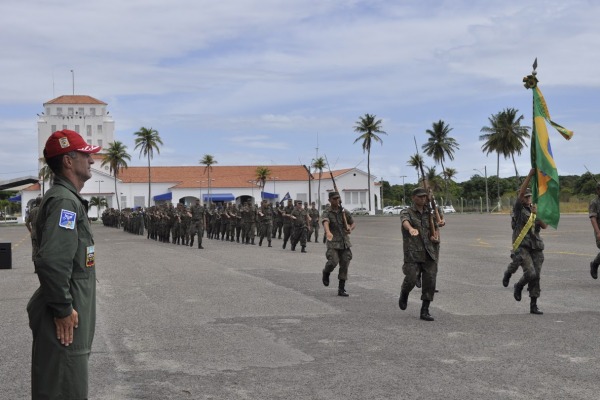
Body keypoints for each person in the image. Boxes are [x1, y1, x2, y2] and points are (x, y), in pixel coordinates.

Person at [27, 129, 101, 399]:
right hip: (65, 312)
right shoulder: (64, 203)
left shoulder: (68, 200)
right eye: (85, 155)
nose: (91, 161)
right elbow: (53, 260)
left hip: (71, 304)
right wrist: (62, 309)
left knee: (65, 380)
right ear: (68, 161)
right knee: (64, 385)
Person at [398, 187, 439, 321]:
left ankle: (425, 310)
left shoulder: (430, 212)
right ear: (413, 198)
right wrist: (411, 229)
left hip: (429, 252)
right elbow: (405, 221)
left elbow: (435, 228)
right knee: (411, 278)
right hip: (413, 252)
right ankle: (404, 293)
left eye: (424, 197)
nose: (423, 199)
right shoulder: (407, 211)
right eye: (420, 196)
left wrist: (435, 237)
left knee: (430, 281)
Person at [511, 168, 547, 315]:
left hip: (536, 246)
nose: (527, 199)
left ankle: (533, 304)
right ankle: (518, 286)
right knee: (530, 273)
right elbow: (520, 194)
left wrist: (537, 214)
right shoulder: (519, 209)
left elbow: (544, 226)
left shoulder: (533, 210)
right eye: (526, 197)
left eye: (529, 197)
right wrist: (531, 175)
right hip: (523, 246)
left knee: (536, 275)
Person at [321, 191, 356, 296]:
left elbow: (353, 223)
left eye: (338, 198)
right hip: (333, 242)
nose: (336, 200)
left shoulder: (344, 211)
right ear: (329, 200)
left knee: (345, 263)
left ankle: (341, 288)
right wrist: (327, 231)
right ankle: (326, 272)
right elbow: (325, 222)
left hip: (344, 242)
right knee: (333, 261)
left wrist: (350, 228)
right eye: (334, 199)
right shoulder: (327, 211)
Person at [25, 196, 42, 263]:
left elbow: (26, 223)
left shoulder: (32, 211)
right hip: (41, 233)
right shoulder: (43, 210)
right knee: (42, 249)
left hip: (34, 233)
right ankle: (41, 267)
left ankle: (35, 266)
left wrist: (31, 231)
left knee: (34, 249)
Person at [589, 183, 600, 279]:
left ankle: (595, 263)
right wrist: (598, 232)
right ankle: (595, 264)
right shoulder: (594, 202)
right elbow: (593, 218)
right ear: (597, 190)